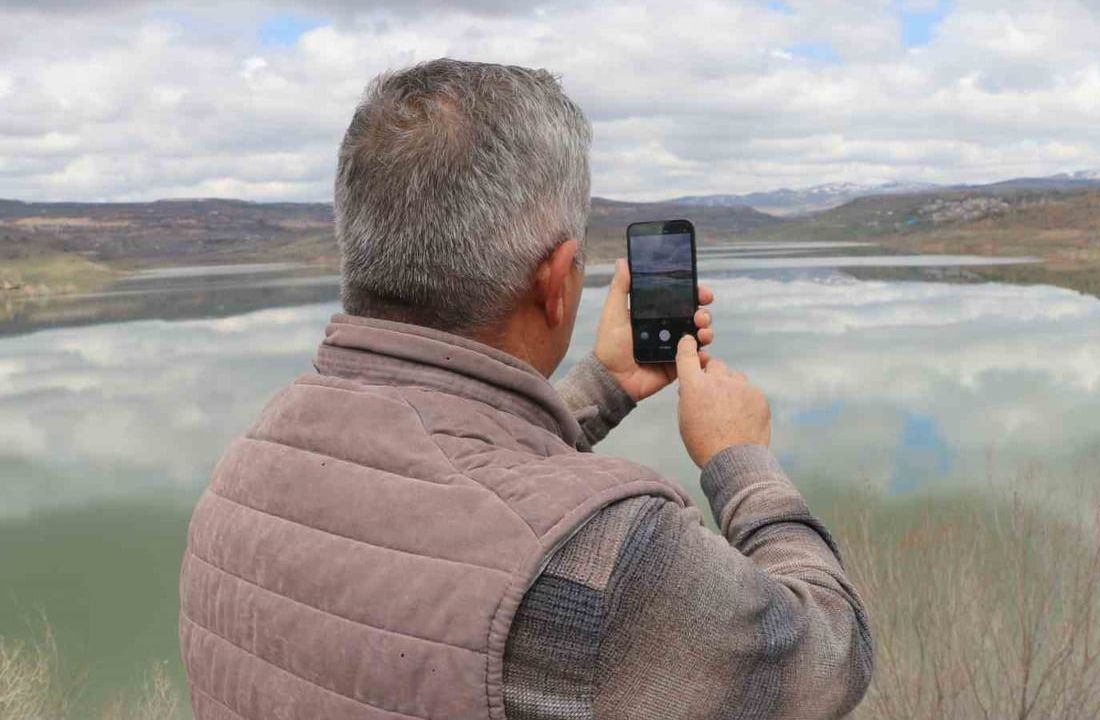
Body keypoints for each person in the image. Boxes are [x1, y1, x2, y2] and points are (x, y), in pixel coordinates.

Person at [178, 58, 872, 720]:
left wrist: (603, 389)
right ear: (555, 280)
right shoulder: (609, 555)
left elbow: (444, 491)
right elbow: (826, 657)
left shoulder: (248, 466)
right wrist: (740, 460)